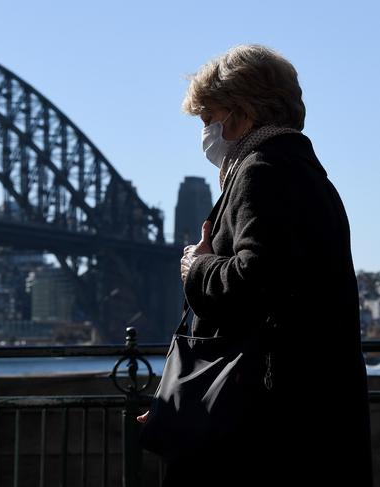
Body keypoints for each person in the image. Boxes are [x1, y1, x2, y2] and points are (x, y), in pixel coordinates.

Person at [139, 45, 372, 486]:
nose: (205, 130)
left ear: (242, 111)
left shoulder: (263, 170)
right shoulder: (303, 171)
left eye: (208, 116)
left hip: (265, 423)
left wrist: (199, 267)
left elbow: (255, 280)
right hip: (306, 415)